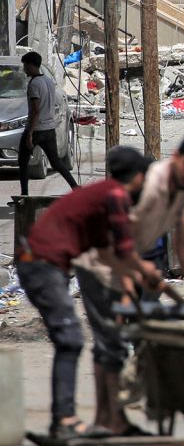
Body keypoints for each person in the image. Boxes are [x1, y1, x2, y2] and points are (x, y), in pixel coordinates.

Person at [16, 147, 162, 440]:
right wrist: (146, 272)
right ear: (135, 178)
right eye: (144, 178)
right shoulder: (116, 197)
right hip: (41, 265)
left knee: (74, 340)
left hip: (40, 264)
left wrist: (132, 278)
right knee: (70, 339)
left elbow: (108, 253)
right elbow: (124, 250)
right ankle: (64, 421)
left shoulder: (102, 196)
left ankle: (90, 420)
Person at [72, 133, 184, 435]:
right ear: (177, 156)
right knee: (110, 341)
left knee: (149, 334)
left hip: (139, 264)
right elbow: (119, 242)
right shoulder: (147, 186)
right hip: (99, 263)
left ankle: (133, 408)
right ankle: (108, 419)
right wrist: (126, 290)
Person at [18, 50, 77, 194]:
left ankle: (24, 194)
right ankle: (75, 187)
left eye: (25, 66)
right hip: (50, 129)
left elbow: (36, 110)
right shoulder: (49, 81)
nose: (24, 69)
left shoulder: (34, 84)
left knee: (23, 162)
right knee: (56, 162)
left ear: (32, 66)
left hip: (37, 129)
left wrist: (30, 133)